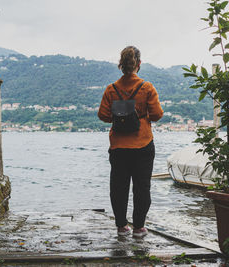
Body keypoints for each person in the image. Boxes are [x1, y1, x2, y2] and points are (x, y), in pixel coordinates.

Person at [98, 46, 163, 237]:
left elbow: (102, 115)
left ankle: (121, 227)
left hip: (118, 146)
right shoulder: (147, 87)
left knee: (118, 187)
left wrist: (119, 117)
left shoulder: (111, 89)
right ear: (139, 64)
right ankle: (139, 227)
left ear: (121, 65)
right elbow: (157, 114)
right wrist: (142, 117)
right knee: (142, 187)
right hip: (143, 145)